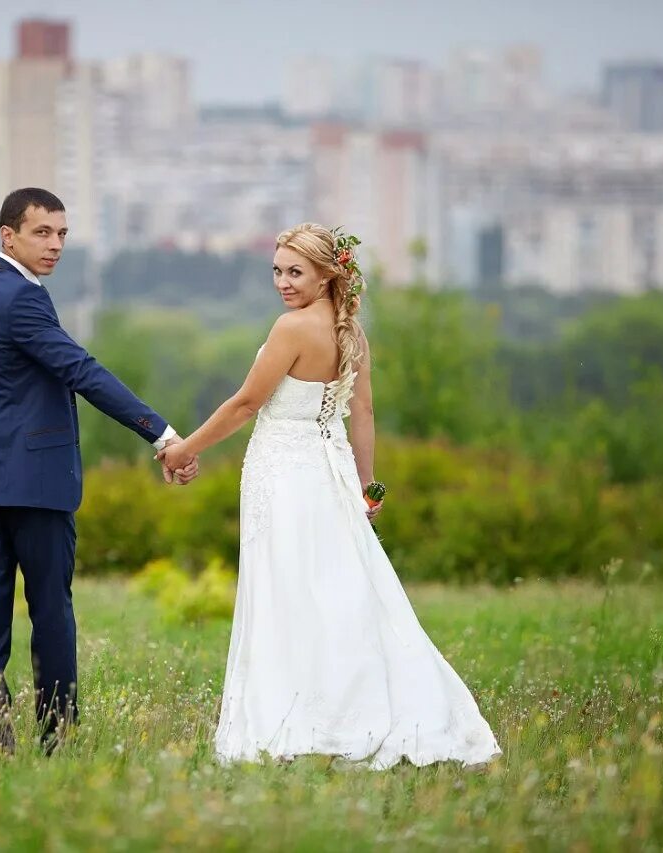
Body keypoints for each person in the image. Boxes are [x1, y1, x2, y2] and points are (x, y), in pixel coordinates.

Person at [158, 223, 501, 769]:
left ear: (326, 275)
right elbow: (361, 415)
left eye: (296, 271)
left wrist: (183, 450)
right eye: (277, 270)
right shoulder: (351, 336)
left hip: (286, 477)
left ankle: (298, 718)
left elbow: (247, 404)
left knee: (289, 591)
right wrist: (369, 488)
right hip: (331, 474)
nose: (283, 282)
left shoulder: (291, 329)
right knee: (341, 591)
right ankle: (342, 709)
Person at [0, 187, 198, 754]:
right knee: (51, 614)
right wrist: (161, 432)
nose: (55, 244)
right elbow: (81, 370)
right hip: (33, 484)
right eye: (42, 233)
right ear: (7, 235)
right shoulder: (23, 298)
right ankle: (58, 739)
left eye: (62, 233)